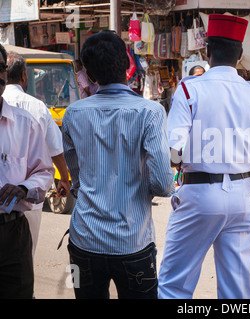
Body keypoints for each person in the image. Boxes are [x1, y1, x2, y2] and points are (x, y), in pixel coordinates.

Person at [159, 14, 250, 299]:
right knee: (237, 292)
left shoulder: (189, 89)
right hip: (245, 198)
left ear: (207, 51)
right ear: (241, 55)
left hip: (200, 194)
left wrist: (177, 161)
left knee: (174, 286)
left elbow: (174, 150)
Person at [62, 31, 174, 299]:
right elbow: (162, 184)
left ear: (89, 75)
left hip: (83, 241)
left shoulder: (73, 114)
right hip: (133, 243)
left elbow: (76, 179)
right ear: (127, 63)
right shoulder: (150, 112)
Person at [3, 52, 70, 260]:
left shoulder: (27, 115)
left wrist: (24, 188)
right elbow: (55, 149)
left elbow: (48, 160)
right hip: (30, 205)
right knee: (26, 257)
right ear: (24, 76)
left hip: (24, 203)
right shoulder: (38, 107)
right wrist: (65, 179)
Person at [0, 43, 54, 299]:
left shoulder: (25, 123)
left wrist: (23, 187)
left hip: (11, 233)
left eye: (0, 69)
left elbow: (44, 171)